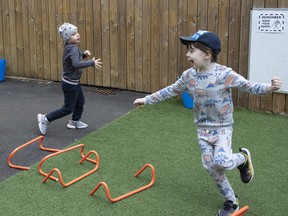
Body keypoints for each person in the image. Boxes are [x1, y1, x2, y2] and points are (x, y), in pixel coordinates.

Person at [133, 30, 282, 216]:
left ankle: (243, 159)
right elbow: (170, 90)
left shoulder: (224, 74)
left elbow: (248, 86)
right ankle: (231, 200)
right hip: (202, 128)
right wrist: (146, 100)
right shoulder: (189, 76)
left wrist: (270, 88)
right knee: (210, 167)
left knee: (223, 161)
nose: (187, 54)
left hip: (222, 127)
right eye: (188, 50)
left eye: (192, 50)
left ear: (207, 54)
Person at [37, 23, 102, 135]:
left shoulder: (71, 47)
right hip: (70, 84)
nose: (77, 35)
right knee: (68, 108)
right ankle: (45, 119)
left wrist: (83, 54)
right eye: (73, 34)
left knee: (80, 102)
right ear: (67, 37)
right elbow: (76, 64)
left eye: (77, 32)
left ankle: (74, 122)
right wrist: (91, 62)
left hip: (73, 82)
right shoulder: (72, 48)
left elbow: (74, 58)